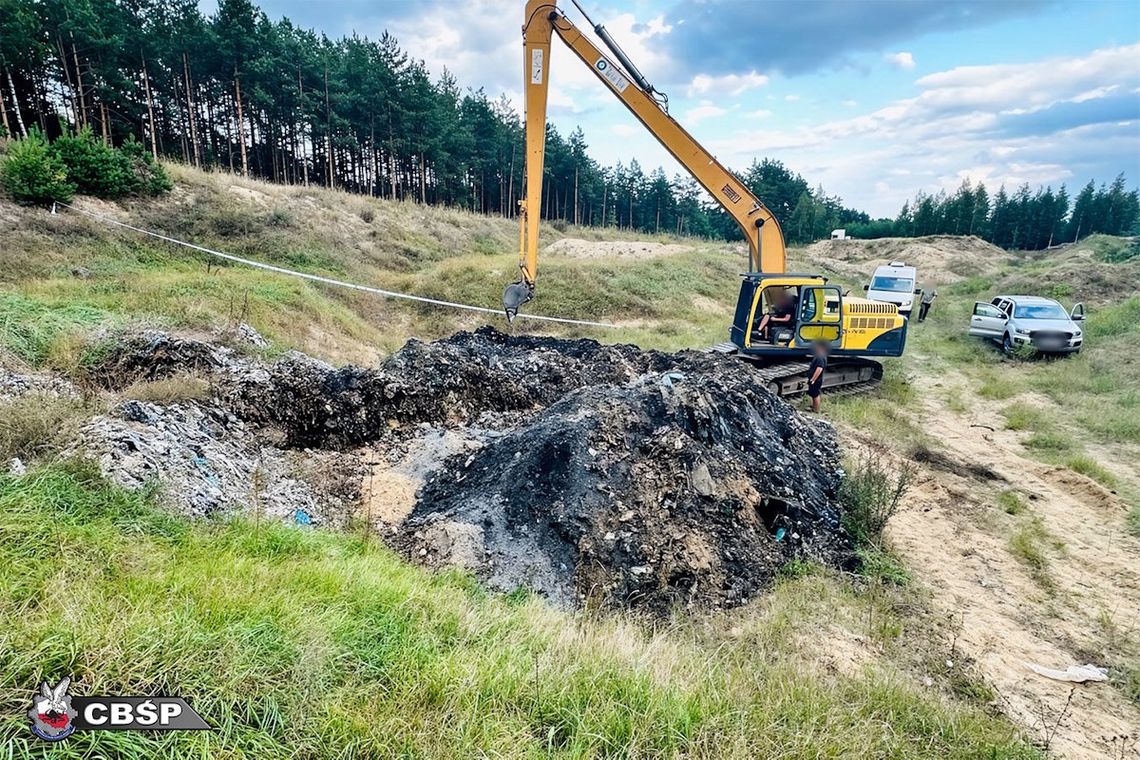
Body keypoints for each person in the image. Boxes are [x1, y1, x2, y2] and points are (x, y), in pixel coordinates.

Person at [807, 340, 828, 413]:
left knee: (815, 394)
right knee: (813, 394)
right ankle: (814, 407)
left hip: (816, 380)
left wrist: (813, 379)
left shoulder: (820, 358)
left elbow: (819, 369)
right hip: (816, 379)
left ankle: (816, 410)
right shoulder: (821, 356)